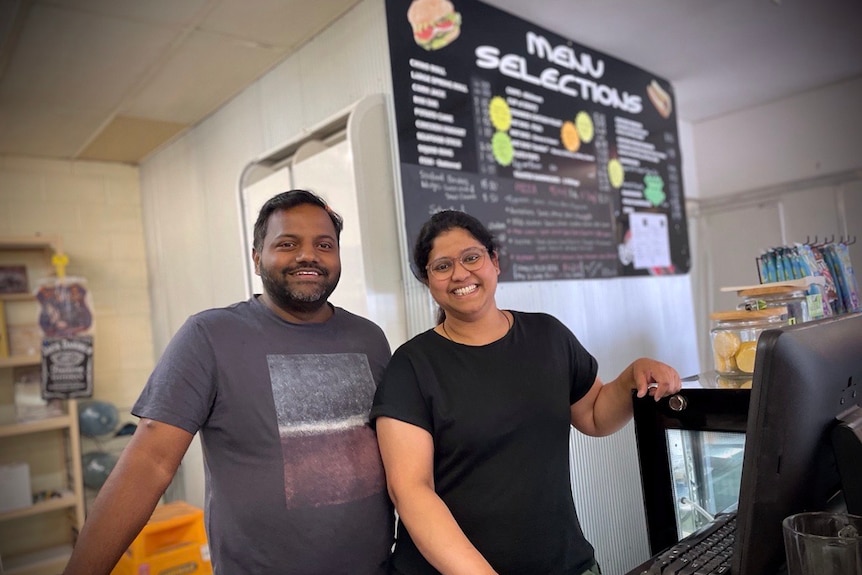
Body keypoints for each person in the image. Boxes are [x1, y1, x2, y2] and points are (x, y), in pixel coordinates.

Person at [63, 190, 394, 575]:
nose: (308, 255)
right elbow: (148, 462)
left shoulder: (369, 338)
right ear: (257, 258)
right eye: (287, 244)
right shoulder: (210, 335)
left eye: (324, 244)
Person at [370, 210, 682, 575]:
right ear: (428, 281)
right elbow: (411, 490)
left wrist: (632, 376)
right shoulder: (411, 365)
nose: (460, 274)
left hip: (565, 564)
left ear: (494, 261)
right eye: (442, 266)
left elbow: (595, 414)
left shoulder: (548, 336)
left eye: (471, 257)